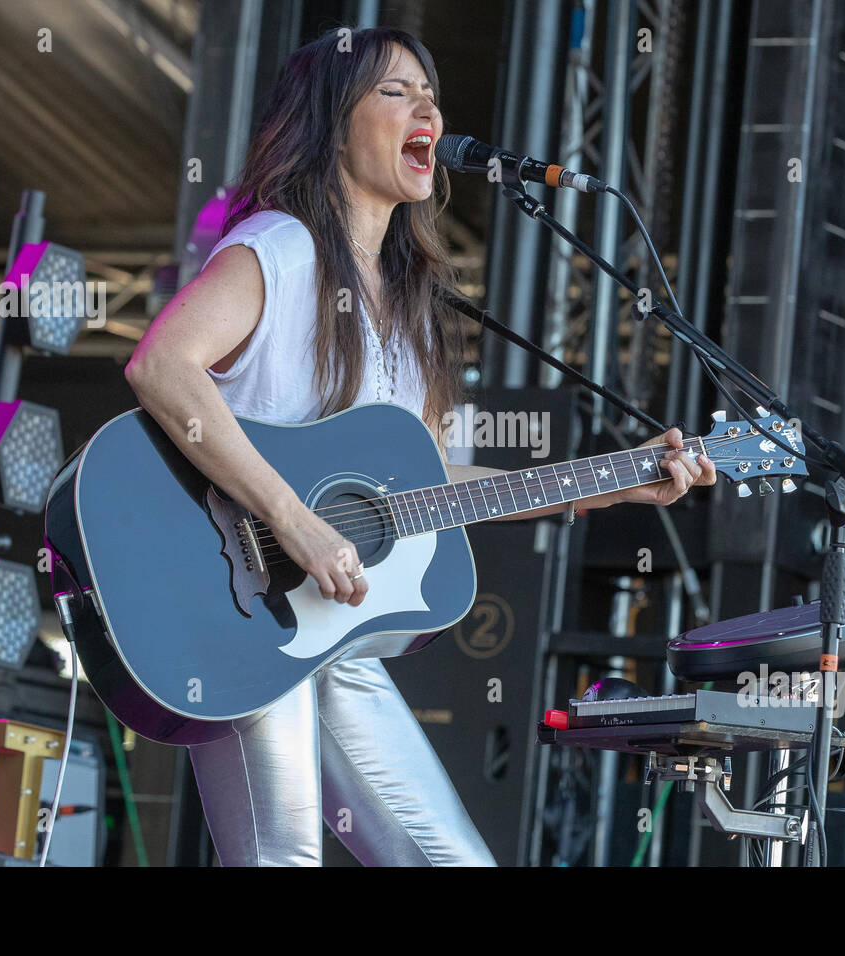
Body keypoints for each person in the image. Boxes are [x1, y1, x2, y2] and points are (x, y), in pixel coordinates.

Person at [123, 25, 717, 866]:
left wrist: (612, 485)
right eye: (397, 91)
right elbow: (161, 366)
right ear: (333, 126)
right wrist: (295, 520)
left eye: (431, 92)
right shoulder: (281, 247)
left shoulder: (409, 311)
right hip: (240, 605)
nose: (428, 105)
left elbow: (428, 481)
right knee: (281, 856)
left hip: (335, 630)